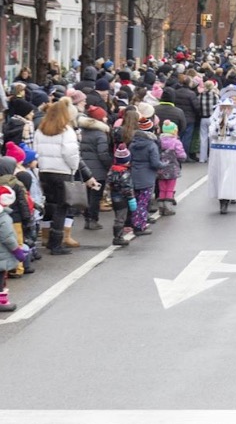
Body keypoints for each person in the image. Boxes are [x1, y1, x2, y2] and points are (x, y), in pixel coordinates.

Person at [33, 97, 98, 255]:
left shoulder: (41, 129)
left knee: (50, 204)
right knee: (62, 207)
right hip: (62, 172)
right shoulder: (66, 130)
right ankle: (56, 243)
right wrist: (74, 168)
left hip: (45, 171)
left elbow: (36, 150)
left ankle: (47, 238)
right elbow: (71, 154)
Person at [208, 97, 236, 214]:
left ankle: (226, 200)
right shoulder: (215, 118)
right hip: (218, 150)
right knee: (219, 174)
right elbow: (211, 134)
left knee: (230, 175)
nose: (226, 110)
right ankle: (221, 199)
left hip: (233, 149)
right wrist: (218, 127)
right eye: (223, 107)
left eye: (228, 107)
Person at [130, 117, 161, 236]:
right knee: (143, 202)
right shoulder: (151, 145)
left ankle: (133, 223)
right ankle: (140, 226)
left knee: (136, 201)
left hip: (134, 175)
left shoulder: (132, 144)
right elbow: (155, 163)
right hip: (147, 177)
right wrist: (163, 165)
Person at [0, 185, 28, 312]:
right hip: (1, 255)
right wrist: (17, 250)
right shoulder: (3, 218)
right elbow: (7, 237)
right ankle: (2, 302)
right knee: (0, 279)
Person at [107, 144, 136, 247]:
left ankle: (118, 236)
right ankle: (118, 237)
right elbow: (127, 188)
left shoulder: (112, 170)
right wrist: (131, 199)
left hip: (114, 197)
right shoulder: (125, 173)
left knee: (117, 216)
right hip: (123, 198)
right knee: (121, 218)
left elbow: (109, 183)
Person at [157, 120, 187, 215]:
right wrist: (182, 159)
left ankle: (161, 207)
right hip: (172, 169)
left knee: (162, 187)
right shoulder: (176, 142)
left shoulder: (158, 141)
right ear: (174, 131)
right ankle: (168, 207)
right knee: (170, 188)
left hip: (160, 169)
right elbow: (181, 155)